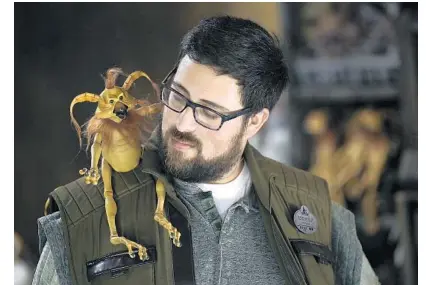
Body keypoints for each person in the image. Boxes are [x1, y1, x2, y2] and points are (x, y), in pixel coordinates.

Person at [32, 16, 380, 285]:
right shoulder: (83, 217)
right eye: (178, 96)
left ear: (256, 122)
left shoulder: (318, 217)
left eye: (210, 112)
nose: (183, 123)